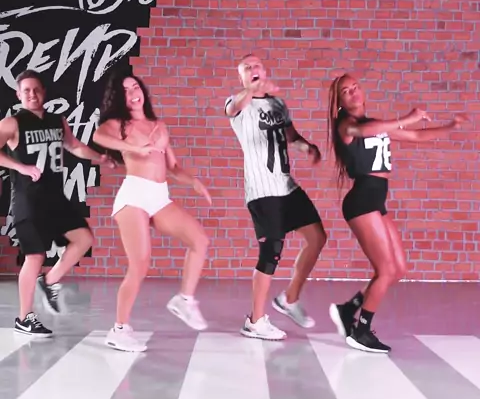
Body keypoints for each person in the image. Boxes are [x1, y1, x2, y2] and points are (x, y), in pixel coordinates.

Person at [327, 73, 466, 354]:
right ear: (339, 102)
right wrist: (407, 118)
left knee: (398, 269)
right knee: (386, 270)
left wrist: (450, 127)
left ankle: (348, 310)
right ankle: (361, 331)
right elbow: (366, 131)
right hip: (361, 200)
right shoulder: (346, 125)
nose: (353, 92)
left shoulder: (376, 125)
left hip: (376, 200)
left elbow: (415, 135)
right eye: (346, 91)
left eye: (356, 87)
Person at [93, 71, 211, 353]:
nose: (133, 93)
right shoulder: (118, 124)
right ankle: (119, 329)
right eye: (126, 91)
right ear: (120, 98)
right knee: (140, 263)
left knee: (200, 240)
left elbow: (173, 167)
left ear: (142, 90)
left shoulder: (159, 126)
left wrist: (193, 181)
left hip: (159, 196)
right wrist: (130, 146)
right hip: (134, 195)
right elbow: (98, 136)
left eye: (135, 87)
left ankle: (184, 299)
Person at [0, 69, 111, 337]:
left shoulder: (56, 120)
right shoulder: (12, 123)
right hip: (28, 200)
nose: (32, 94)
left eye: (36, 89)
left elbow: (73, 145)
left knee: (83, 239)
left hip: (55, 198)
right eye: (26, 90)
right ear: (18, 94)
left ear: (43, 92)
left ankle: (49, 281)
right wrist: (21, 167)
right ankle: (24, 318)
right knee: (35, 256)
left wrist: (99, 158)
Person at [225, 54, 326, 341]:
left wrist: (307, 148)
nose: (253, 69)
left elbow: (291, 136)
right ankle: (255, 321)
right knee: (271, 254)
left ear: (265, 70)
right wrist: (253, 88)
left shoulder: (278, 104)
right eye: (247, 68)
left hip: (286, 186)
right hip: (262, 191)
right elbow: (234, 107)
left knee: (317, 237)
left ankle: (289, 299)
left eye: (257, 65)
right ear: (242, 77)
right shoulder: (238, 104)